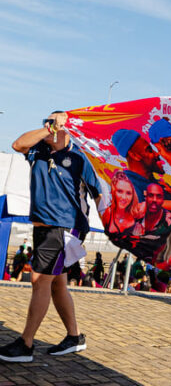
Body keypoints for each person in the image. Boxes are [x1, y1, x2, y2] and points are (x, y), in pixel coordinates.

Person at [0, 111, 103, 363]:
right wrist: (49, 129)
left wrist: (112, 225)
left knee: (39, 280)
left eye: (55, 124)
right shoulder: (38, 151)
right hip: (44, 228)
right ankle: (74, 337)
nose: (49, 127)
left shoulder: (80, 157)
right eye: (47, 123)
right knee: (57, 284)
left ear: (68, 129)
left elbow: (98, 194)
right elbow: (18, 144)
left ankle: (26, 343)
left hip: (64, 227)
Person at [111, 129, 166, 202]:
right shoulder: (131, 191)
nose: (157, 154)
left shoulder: (155, 183)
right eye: (149, 150)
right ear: (135, 156)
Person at [133, 182, 171, 262]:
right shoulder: (134, 213)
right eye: (151, 195)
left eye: (158, 197)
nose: (154, 200)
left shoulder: (169, 222)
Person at [101, 171, 143, 250]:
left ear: (133, 196)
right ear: (113, 191)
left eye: (128, 193)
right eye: (119, 191)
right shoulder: (108, 213)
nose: (124, 197)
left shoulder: (138, 212)